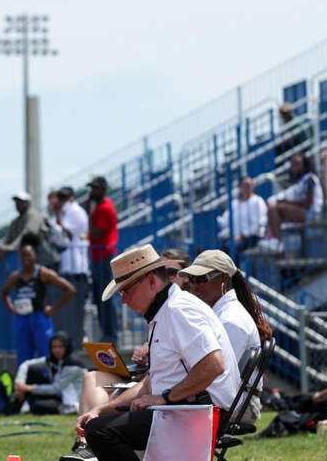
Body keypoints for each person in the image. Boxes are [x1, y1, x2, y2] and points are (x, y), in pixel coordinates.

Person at [71, 244, 240, 461]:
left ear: (151, 281)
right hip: (186, 409)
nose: (123, 300)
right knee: (98, 425)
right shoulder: (167, 309)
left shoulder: (178, 310)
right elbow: (149, 384)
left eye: (126, 290)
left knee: (100, 431)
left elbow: (214, 365)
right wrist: (101, 410)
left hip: (197, 413)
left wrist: (164, 398)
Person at [178, 249, 273, 424]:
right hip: (228, 399)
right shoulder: (221, 313)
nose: (195, 286)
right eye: (192, 280)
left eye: (201, 279)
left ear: (224, 279)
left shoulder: (230, 319)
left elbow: (217, 375)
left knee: (154, 412)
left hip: (236, 405)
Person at [1, 235, 75, 367]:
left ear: (35, 255)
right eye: (23, 256)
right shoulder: (16, 276)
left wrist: (53, 309)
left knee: (45, 353)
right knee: (23, 357)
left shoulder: (43, 273)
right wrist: (12, 310)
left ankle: (48, 382)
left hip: (39, 317)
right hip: (22, 319)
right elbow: (4, 293)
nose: (26, 259)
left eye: (29, 255)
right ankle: (24, 384)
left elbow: (70, 290)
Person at [13, 332, 85, 415]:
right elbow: (26, 364)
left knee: (39, 407)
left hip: (71, 403)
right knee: (33, 370)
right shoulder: (54, 360)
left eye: (60, 346)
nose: (57, 350)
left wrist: (28, 388)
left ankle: (24, 407)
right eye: (54, 347)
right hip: (59, 397)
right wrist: (19, 383)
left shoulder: (73, 364)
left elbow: (56, 388)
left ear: (67, 347)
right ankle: (17, 406)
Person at [54, 187, 90, 343]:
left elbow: (67, 232)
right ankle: (73, 341)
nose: (60, 200)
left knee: (76, 311)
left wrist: (57, 214)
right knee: (69, 312)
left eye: (63, 197)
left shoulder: (75, 211)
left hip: (77, 268)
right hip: (68, 267)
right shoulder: (65, 212)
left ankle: (78, 340)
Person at [86, 176, 119, 343]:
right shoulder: (99, 206)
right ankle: (106, 333)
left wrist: (89, 214)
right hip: (99, 257)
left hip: (104, 257)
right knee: (99, 298)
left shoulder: (105, 207)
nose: (92, 191)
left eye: (95, 188)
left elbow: (97, 233)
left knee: (106, 297)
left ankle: (111, 335)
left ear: (103, 189)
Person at [266, 153, 322, 238]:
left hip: (312, 213)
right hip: (304, 211)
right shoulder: (299, 181)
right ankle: (271, 239)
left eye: (297, 164)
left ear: (304, 164)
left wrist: (286, 203)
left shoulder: (310, 178)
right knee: (273, 207)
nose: (293, 166)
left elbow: (308, 203)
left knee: (275, 209)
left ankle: (277, 241)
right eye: (292, 164)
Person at [216, 177, 267, 252]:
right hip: (234, 238)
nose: (248, 187)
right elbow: (225, 222)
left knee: (229, 248)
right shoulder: (234, 203)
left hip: (251, 238)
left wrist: (242, 235)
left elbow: (259, 224)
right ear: (240, 187)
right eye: (245, 185)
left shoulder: (258, 201)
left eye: (250, 185)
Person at [0, 191, 48, 261]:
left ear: (28, 203)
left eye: (21, 202)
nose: (18, 204)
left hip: (43, 259)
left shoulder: (34, 215)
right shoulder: (15, 222)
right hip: (25, 260)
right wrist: (3, 248)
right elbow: (8, 241)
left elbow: (28, 233)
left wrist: (12, 246)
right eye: (17, 202)